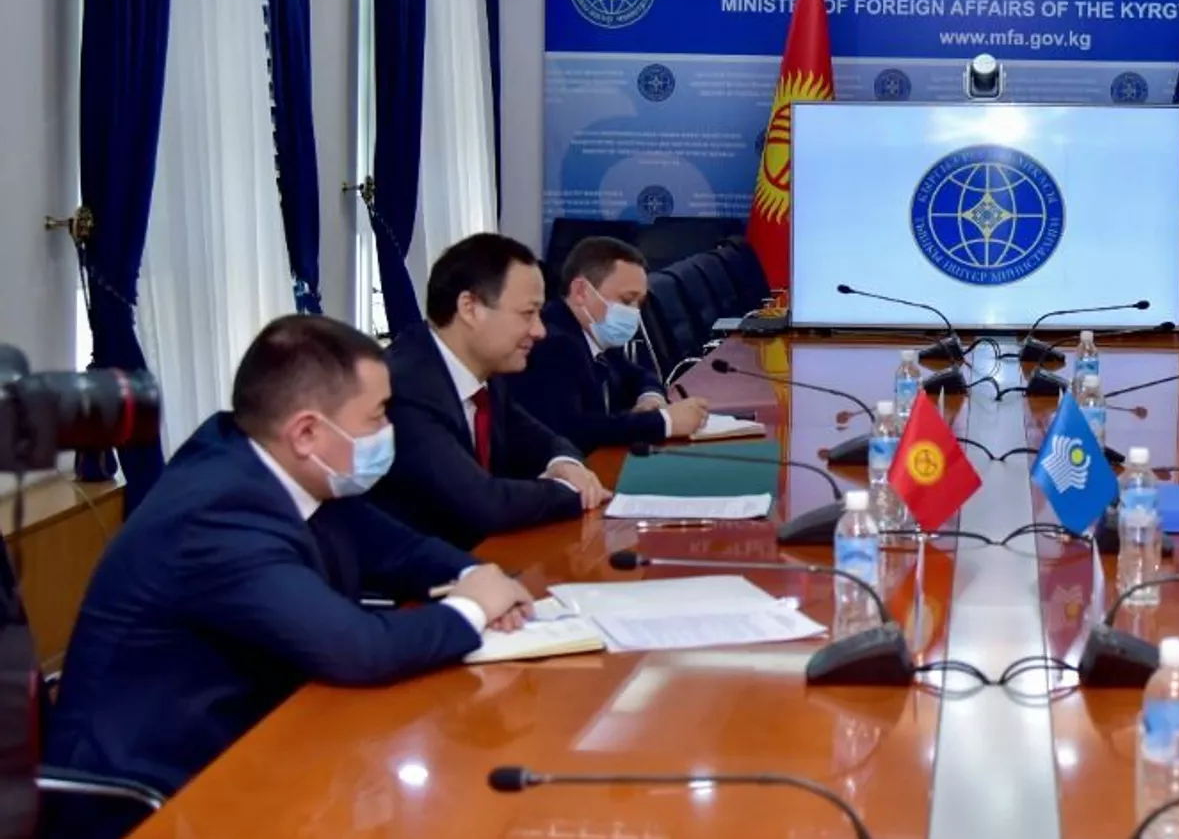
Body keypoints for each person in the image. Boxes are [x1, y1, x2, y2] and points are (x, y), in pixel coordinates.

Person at [44, 316, 535, 835]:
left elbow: (399, 550)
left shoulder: (282, 464)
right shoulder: (218, 514)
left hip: (254, 738)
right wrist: (472, 607)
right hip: (154, 794)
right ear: (306, 432)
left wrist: (479, 575)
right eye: (378, 416)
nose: (391, 431)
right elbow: (357, 648)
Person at [374, 233, 611, 549]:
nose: (540, 331)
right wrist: (570, 491)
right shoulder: (405, 386)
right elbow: (483, 503)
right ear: (470, 308)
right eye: (527, 313)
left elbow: (545, 441)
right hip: (423, 572)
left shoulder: (486, 374)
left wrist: (566, 464)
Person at [510, 236, 709, 450]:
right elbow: (573, 430)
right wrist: (664, 422)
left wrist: (650, 398)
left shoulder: (596, 333)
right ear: (581, 292)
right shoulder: (552, 343)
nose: (634, 312)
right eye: (626, 300)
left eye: (639, 304)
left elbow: (639, 375)